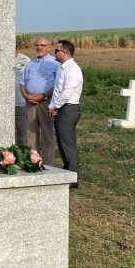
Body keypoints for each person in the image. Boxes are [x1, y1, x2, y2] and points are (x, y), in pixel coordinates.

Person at [20, 37, 59, 164]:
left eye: (42, 45)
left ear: (49, 47)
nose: (39, 47)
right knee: (31, 134)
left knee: (47, 135)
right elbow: (22, 82)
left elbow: (58, 85)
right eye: (37, 45)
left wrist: (43, 96)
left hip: (45, 102)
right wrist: (26, 95)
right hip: (30, 102)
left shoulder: (55, 63)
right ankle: (34, 163)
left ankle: (49, 165)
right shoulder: (30, 63)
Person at [49, 39, 83, 187]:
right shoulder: (62, 68)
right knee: (63, 143)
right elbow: (58, 90)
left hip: (69, 109)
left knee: (68, 144)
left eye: (56, 51)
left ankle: (72, 178)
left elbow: (67, 92)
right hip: (62, 108)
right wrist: (55, 105)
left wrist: (53, 105)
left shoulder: (73, 70)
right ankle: (67, 171)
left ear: (65, 52)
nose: (54, 53)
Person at [14, 47, 30, 146]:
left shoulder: (25, 60)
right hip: (3, 103)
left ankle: (22, 152)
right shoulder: (0, 59)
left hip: (20, 100)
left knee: (22, 130)